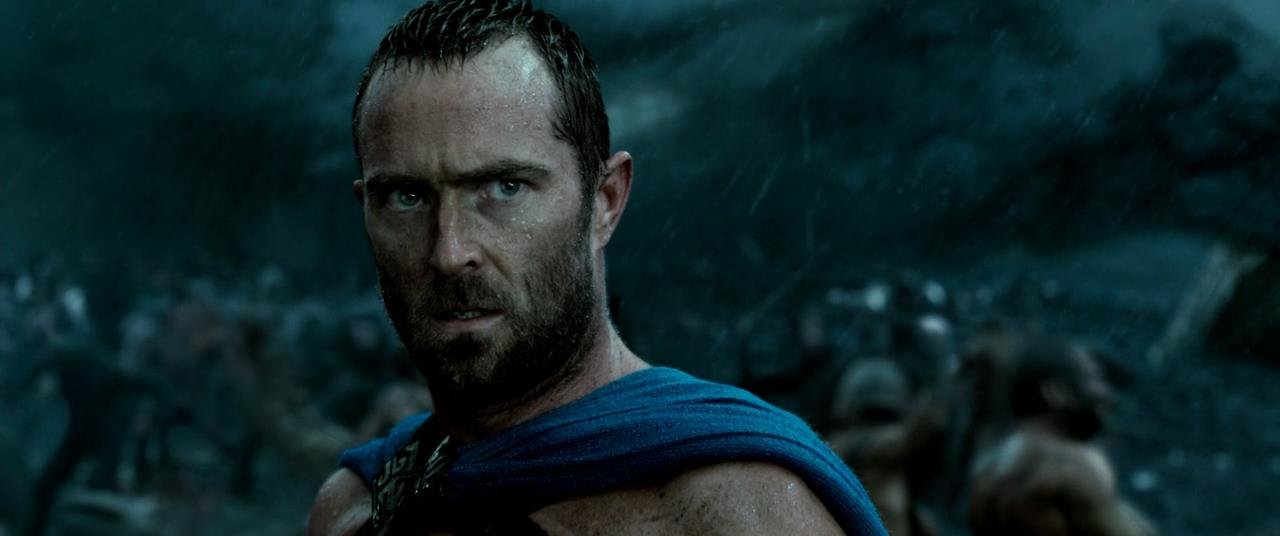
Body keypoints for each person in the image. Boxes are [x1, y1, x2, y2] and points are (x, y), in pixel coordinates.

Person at [308, 1, 886, 534]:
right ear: (366, 209)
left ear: (605, 201)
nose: (449, 252)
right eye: (406, 197)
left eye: (505, 187)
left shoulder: (737, 514)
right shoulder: (357, 504)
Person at [967, 337, 1155, 535]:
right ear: (1056, 393)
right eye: (1091, 378)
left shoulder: (991, 465)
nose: (1105, 394)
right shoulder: (1075, 465)